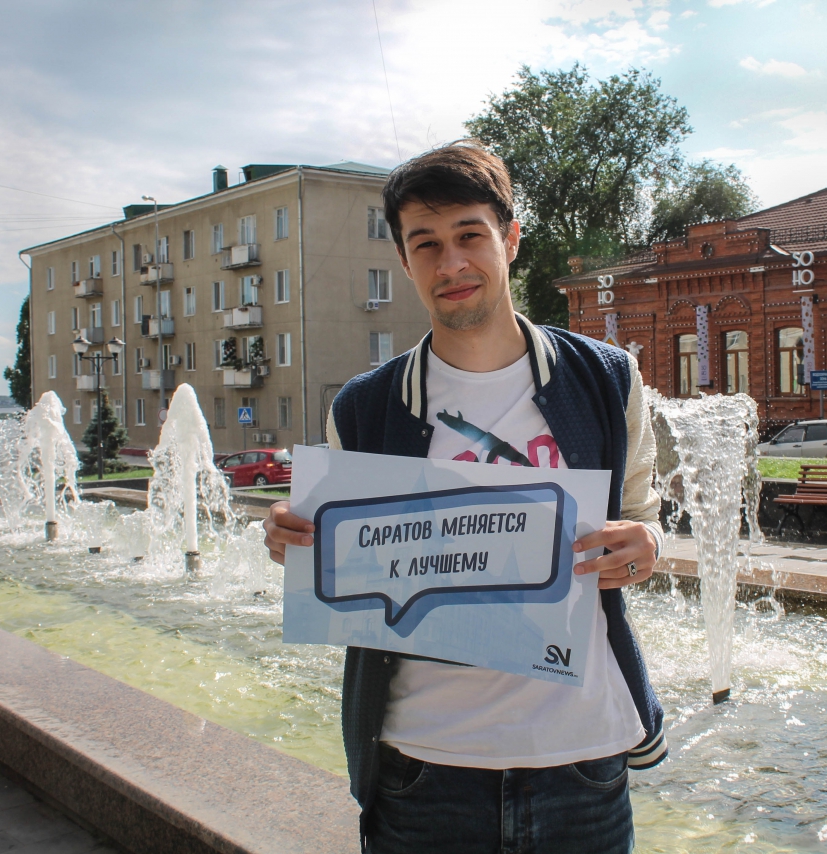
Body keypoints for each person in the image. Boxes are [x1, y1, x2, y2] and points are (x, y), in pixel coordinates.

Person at [263, 141, 667, 853]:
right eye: (426, 244)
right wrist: (292, 542)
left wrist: (647, 545)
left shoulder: (605, 379)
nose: (450, 264)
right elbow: (343, 567)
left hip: (582, 762)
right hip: (424, 771)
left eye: (469, 236)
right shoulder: (364, 408)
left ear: (510, 239)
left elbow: (643, 522)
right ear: (403, 258)